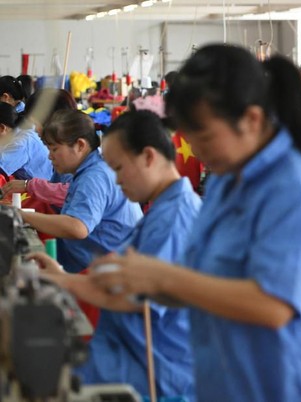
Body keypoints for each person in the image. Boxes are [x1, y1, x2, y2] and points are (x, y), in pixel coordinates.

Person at [83, 45, 301, 401]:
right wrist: (133, 277)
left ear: (251, 120)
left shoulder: (295, 190)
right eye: (190, 139)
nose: (195, 151)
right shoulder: (225, 182)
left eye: (204, 138)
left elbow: (273, 306)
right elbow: (205, 283)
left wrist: (162, 276)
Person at [32, 110, 198, 400]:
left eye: (119, 168)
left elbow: (131, 297)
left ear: (148, 157)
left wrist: (63, 282)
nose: (116, 181)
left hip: (149, 369)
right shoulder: (163, 209)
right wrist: (60, 277)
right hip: (125, 348)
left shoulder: (173, 220)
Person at [20, 109, 143, 273]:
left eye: (54, 149)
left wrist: (23, 215)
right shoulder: (92, 169)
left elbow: (77, 227)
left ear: (80, 145)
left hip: (109, 275)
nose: (50, 156)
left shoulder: (94, 177)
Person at [1, 89, 77, 205]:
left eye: (36, 124)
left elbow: (75, 195)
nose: (35, 130)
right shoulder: (61, 154)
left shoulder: (23, 141)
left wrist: (29, 185)